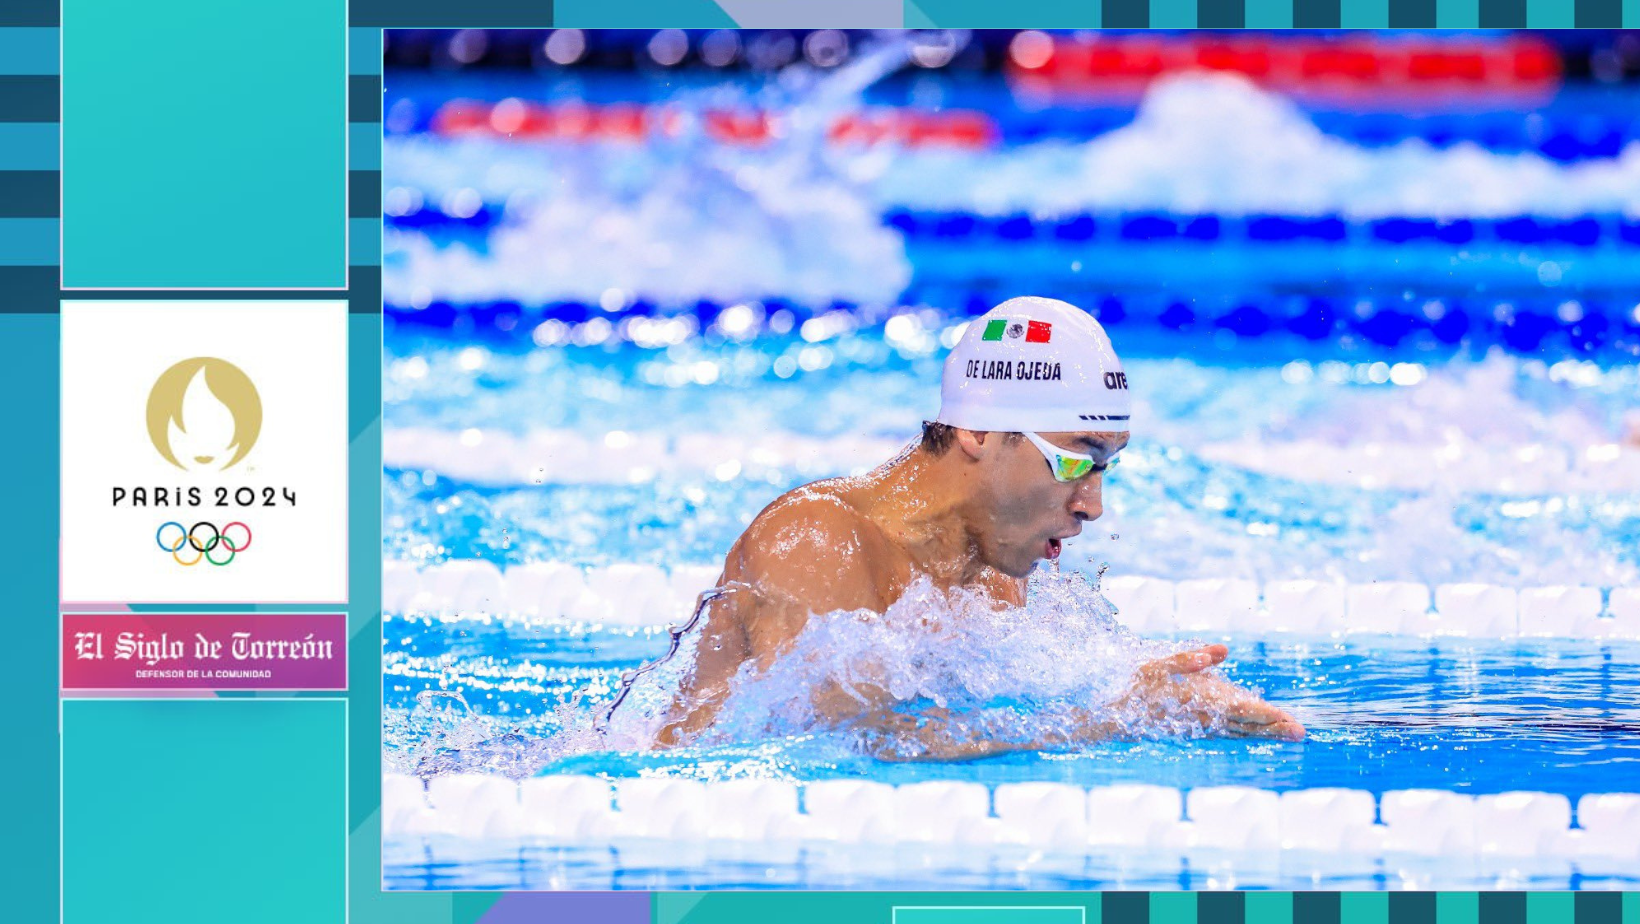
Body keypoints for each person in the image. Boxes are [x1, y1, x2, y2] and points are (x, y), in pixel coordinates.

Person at [654, 296, 1305, 759]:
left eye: (1108, 468)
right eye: (1078, 459)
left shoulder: (994, 570)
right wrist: (1120, 721)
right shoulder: (816, 539)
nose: (1092, 504)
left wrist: (1169, 699)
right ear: (978, 431)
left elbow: (995, 718)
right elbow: (859, 740)